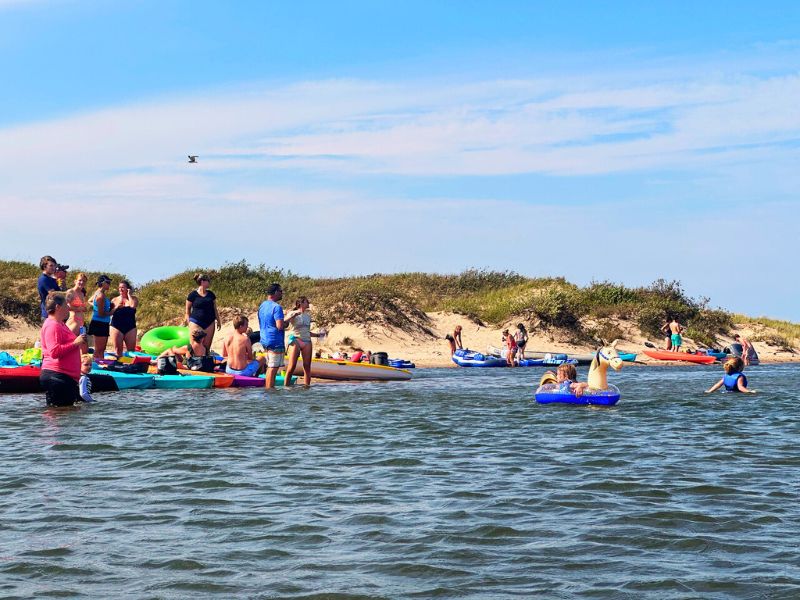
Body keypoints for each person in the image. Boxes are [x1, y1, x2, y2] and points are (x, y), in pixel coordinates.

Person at [39, 293, 86, 406]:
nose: (68, 308)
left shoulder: (61, 324)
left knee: (66, 415)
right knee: (60, 415)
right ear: (58, 307)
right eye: (66, 305)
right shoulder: (52, 325)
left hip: (65, 377)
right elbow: (54, 352)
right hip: (57, 376)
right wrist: (75, 343)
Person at [285, 296, 324, 386]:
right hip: (296, 339)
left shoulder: (308, 316)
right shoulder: (292, 313)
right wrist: (293, 316)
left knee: (307, 366)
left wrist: (318, 335)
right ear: (301, 303)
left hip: (307, 341)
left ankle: (307, 387)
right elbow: (284, 322)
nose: (308, 303)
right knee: (292, 366)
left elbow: (307, 331)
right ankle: (286, 387)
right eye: (306, 302)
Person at [258, 283, 286, 389]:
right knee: (273, 367)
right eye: (280, 291)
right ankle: (269, 390)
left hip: (264, 339)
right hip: (274, 340)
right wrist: (286, 322)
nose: (281, 293)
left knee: (271, 366)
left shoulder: (262, 305)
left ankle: (270, 389)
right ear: (275, 292)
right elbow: (279, 325)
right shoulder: (277, 307)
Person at [184, 274, 221, 352]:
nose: (209, 283)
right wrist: (189, 323)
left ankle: (206, 362)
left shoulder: (211, 294)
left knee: (206, 348)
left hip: (210, 322)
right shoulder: (192, 295)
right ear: (202, 282)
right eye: (208, 281)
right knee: (194, 347)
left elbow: (215, 308)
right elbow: (187, 311)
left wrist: (218, 320)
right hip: (196, 322)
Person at [88, 275, 116, 358]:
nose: (109, 284)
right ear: (102, 283)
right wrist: (113, 310)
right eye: (107, 282)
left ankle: (99, 365)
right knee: (99, 349)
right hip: (100, 323)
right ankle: (96, 366)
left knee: (101, 349)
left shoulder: (98, 293)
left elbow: (90, 300)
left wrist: (95, 306)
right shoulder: (101, 295)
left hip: (101, 322)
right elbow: (101, 314)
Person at [110, 280, 139, 358]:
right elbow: (110, 313)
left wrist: (129, 295)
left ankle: (130, 367)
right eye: (119, 287)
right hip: (116, 326)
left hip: (130, 327)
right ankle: (119, 366)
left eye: (123, 287)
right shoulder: (114, 300)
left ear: (127, 289)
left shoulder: (134, 299)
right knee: (118, 350)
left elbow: (133, 306)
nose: (120, 289)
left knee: (131, 351)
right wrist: (116, 307)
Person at [37, 255, 61, 320]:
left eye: (54, 266)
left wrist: (61, 281)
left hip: (54, 313)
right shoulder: (43, 279)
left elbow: (61, 294)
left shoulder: (51, 279)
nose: (54, 268)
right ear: (44, 267)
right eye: (51, 266)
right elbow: (54, 294)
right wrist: (69, 293)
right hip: (48, 313)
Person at [66, 272, 88, 337]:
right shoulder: (71, 292)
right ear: (75, 281)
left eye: (84, 281)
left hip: (81, 323)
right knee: (71, 342)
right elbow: (64, 306)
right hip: (73, 321)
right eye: (80, 280)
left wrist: (84, 308)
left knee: (82, 344)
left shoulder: (82, 294)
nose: (82, 282)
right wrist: (77, 309)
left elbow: (83, 307)